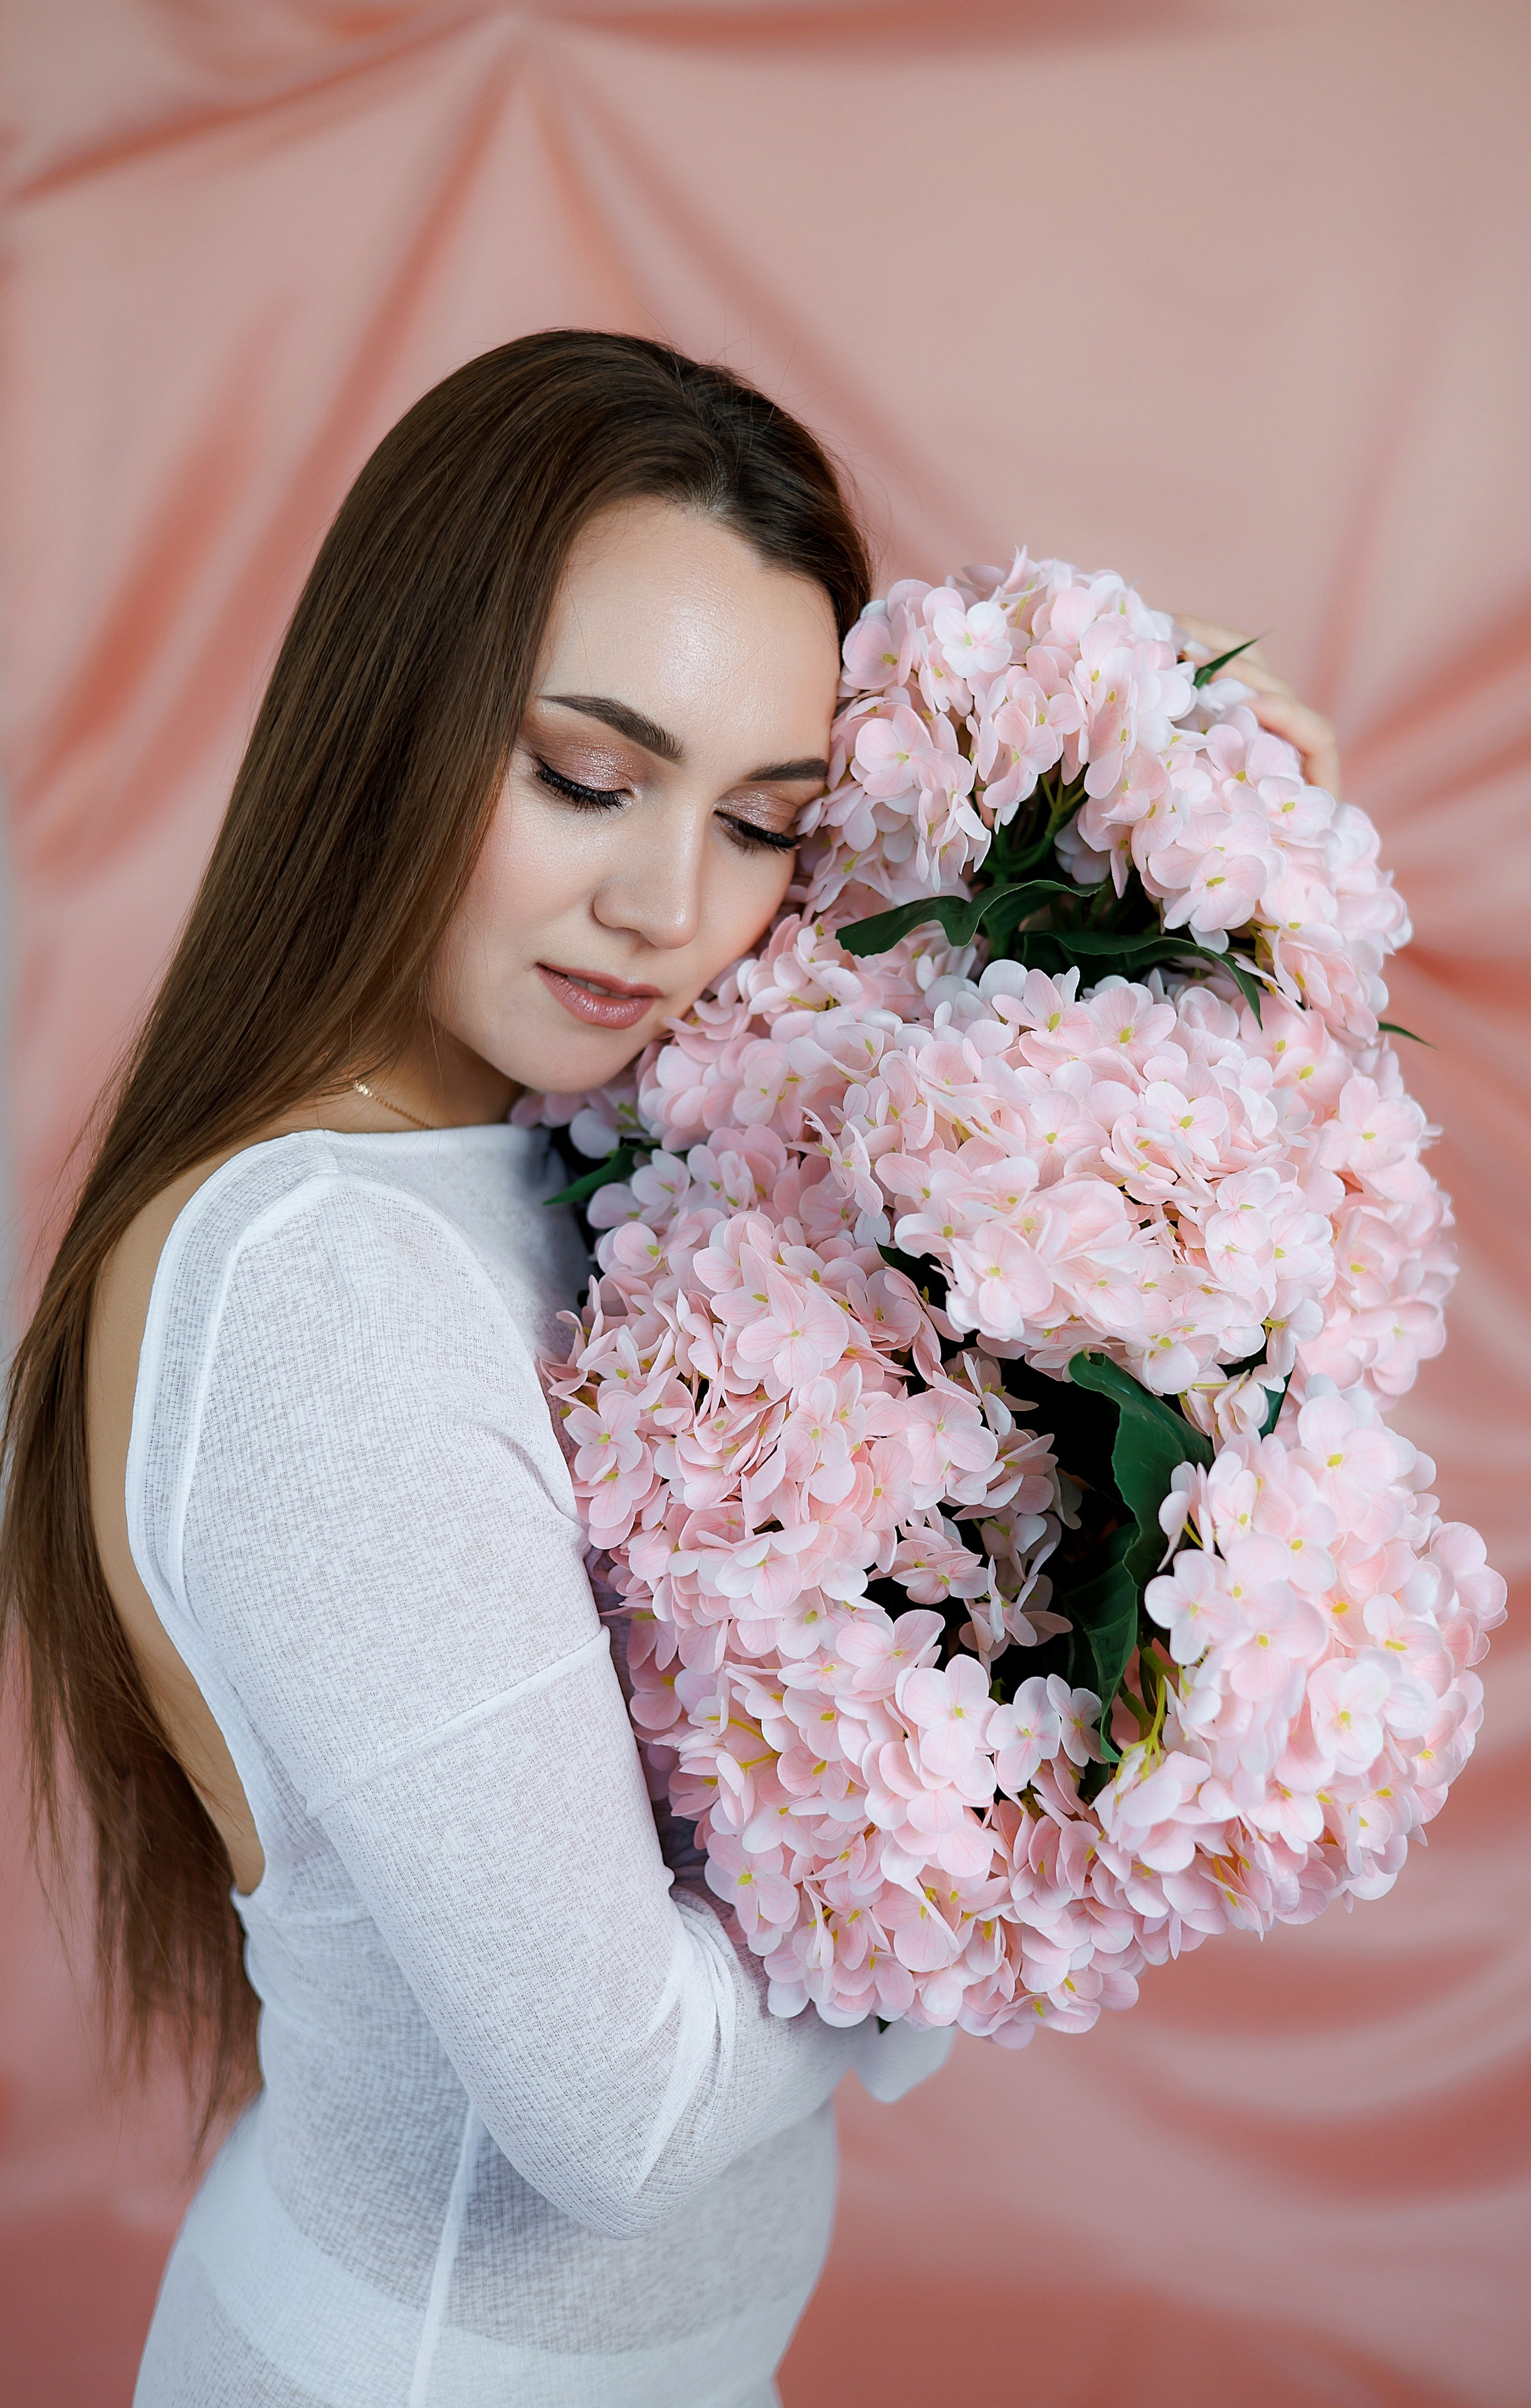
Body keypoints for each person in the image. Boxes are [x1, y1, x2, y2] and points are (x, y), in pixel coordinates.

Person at [0, 330, 1337, 2408]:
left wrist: (1180, 863)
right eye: (587, 777)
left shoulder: (594, 1156)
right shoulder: (317, 1280)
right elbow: (613, 2111)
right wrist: (1022, 1832)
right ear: (394, 710)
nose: (667, 908)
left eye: (762, 822)